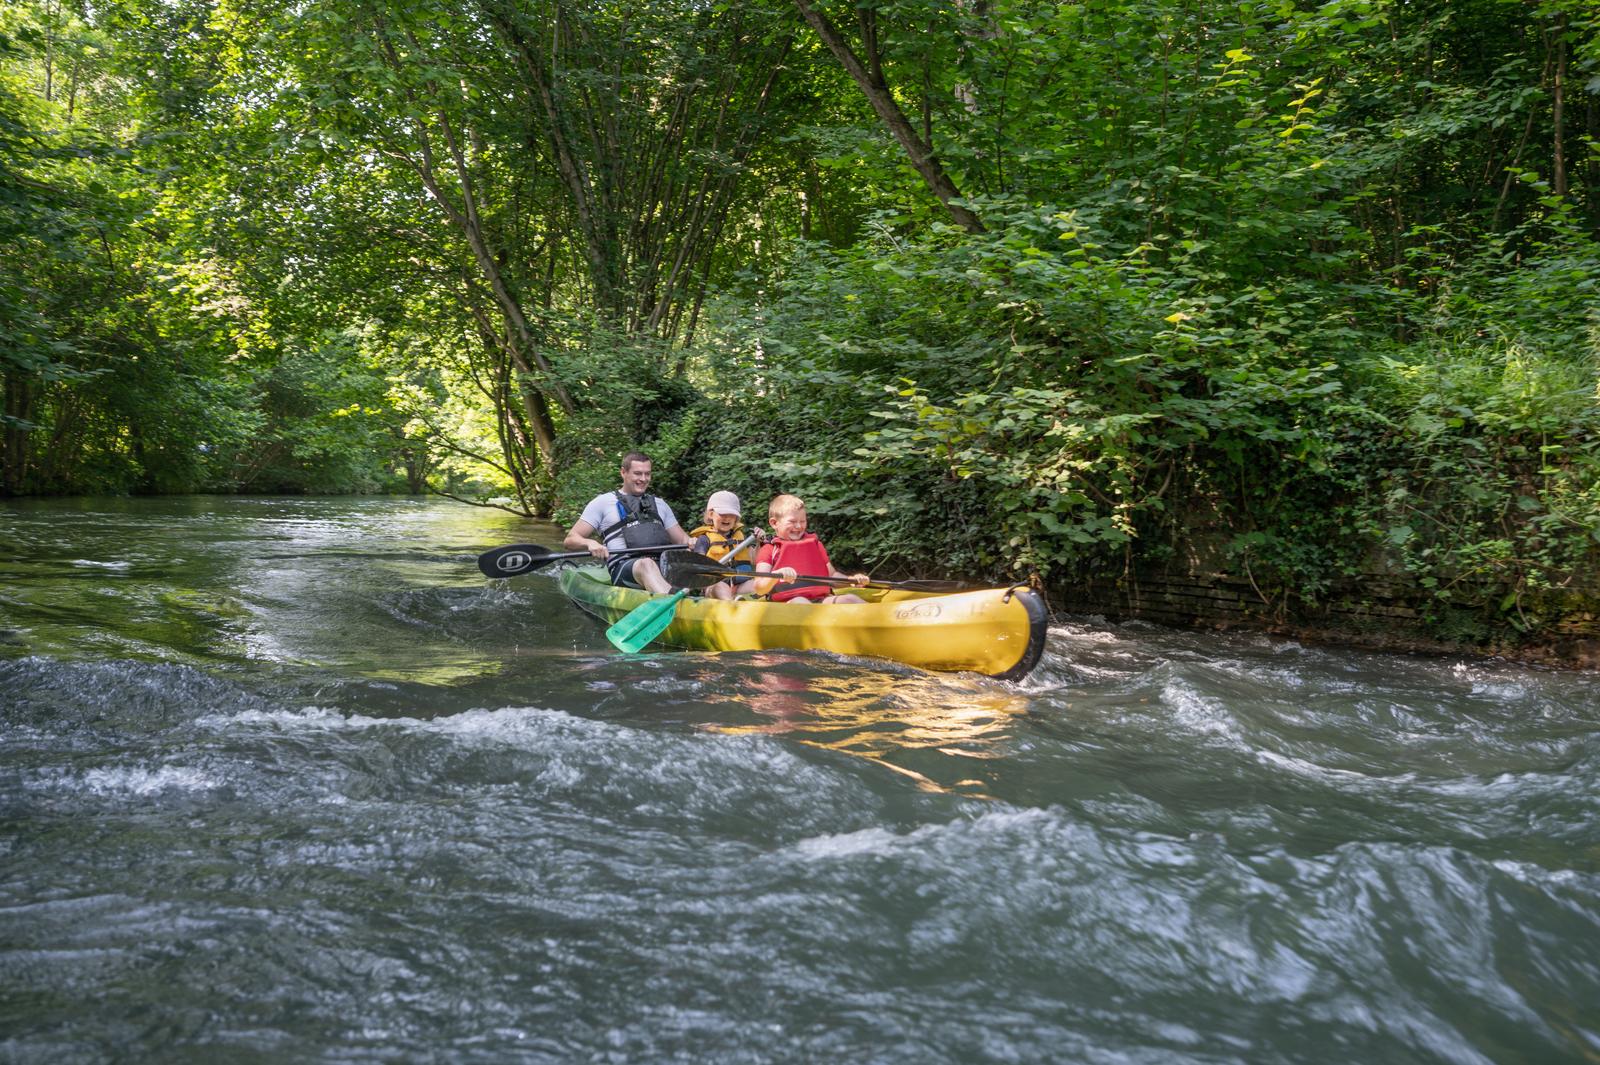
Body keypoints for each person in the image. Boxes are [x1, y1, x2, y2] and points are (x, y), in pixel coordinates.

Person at [563, 451, 691, 595]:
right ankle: (673, 602)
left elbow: (682, 540)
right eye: (638, 473)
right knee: (646, 563)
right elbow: (570, 540)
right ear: (623, 472)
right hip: (624, 567)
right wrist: (589, 543)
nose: (643, 479)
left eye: (647, 474)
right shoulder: (602, 503)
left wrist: (694, 542)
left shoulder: (661, 504)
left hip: (663, 566)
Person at [750, 493, 870, 604]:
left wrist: (851, 581)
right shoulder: (769, 549)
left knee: (850, 599)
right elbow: (759, 588)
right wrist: (777, 575)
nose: (798, 526)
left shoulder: (815, 544)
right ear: (774, 523)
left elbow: (832, 576)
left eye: (803, 521)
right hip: (787, 604)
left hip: (820, 600)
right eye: (792, 521)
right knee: (801, 601)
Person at [688, 490, 760, 601]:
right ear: (711, 514)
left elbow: (755, 560)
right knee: (719, 586)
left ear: (736, 518)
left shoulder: (741, 537)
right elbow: (699, 566)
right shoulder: (704, 539)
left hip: (740, 585)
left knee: (757, 585)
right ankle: (730, 604)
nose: (727, 518)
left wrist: (759, 542)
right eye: (722, 514)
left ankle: (739, 602)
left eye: (732, 515)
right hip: (714, 586)